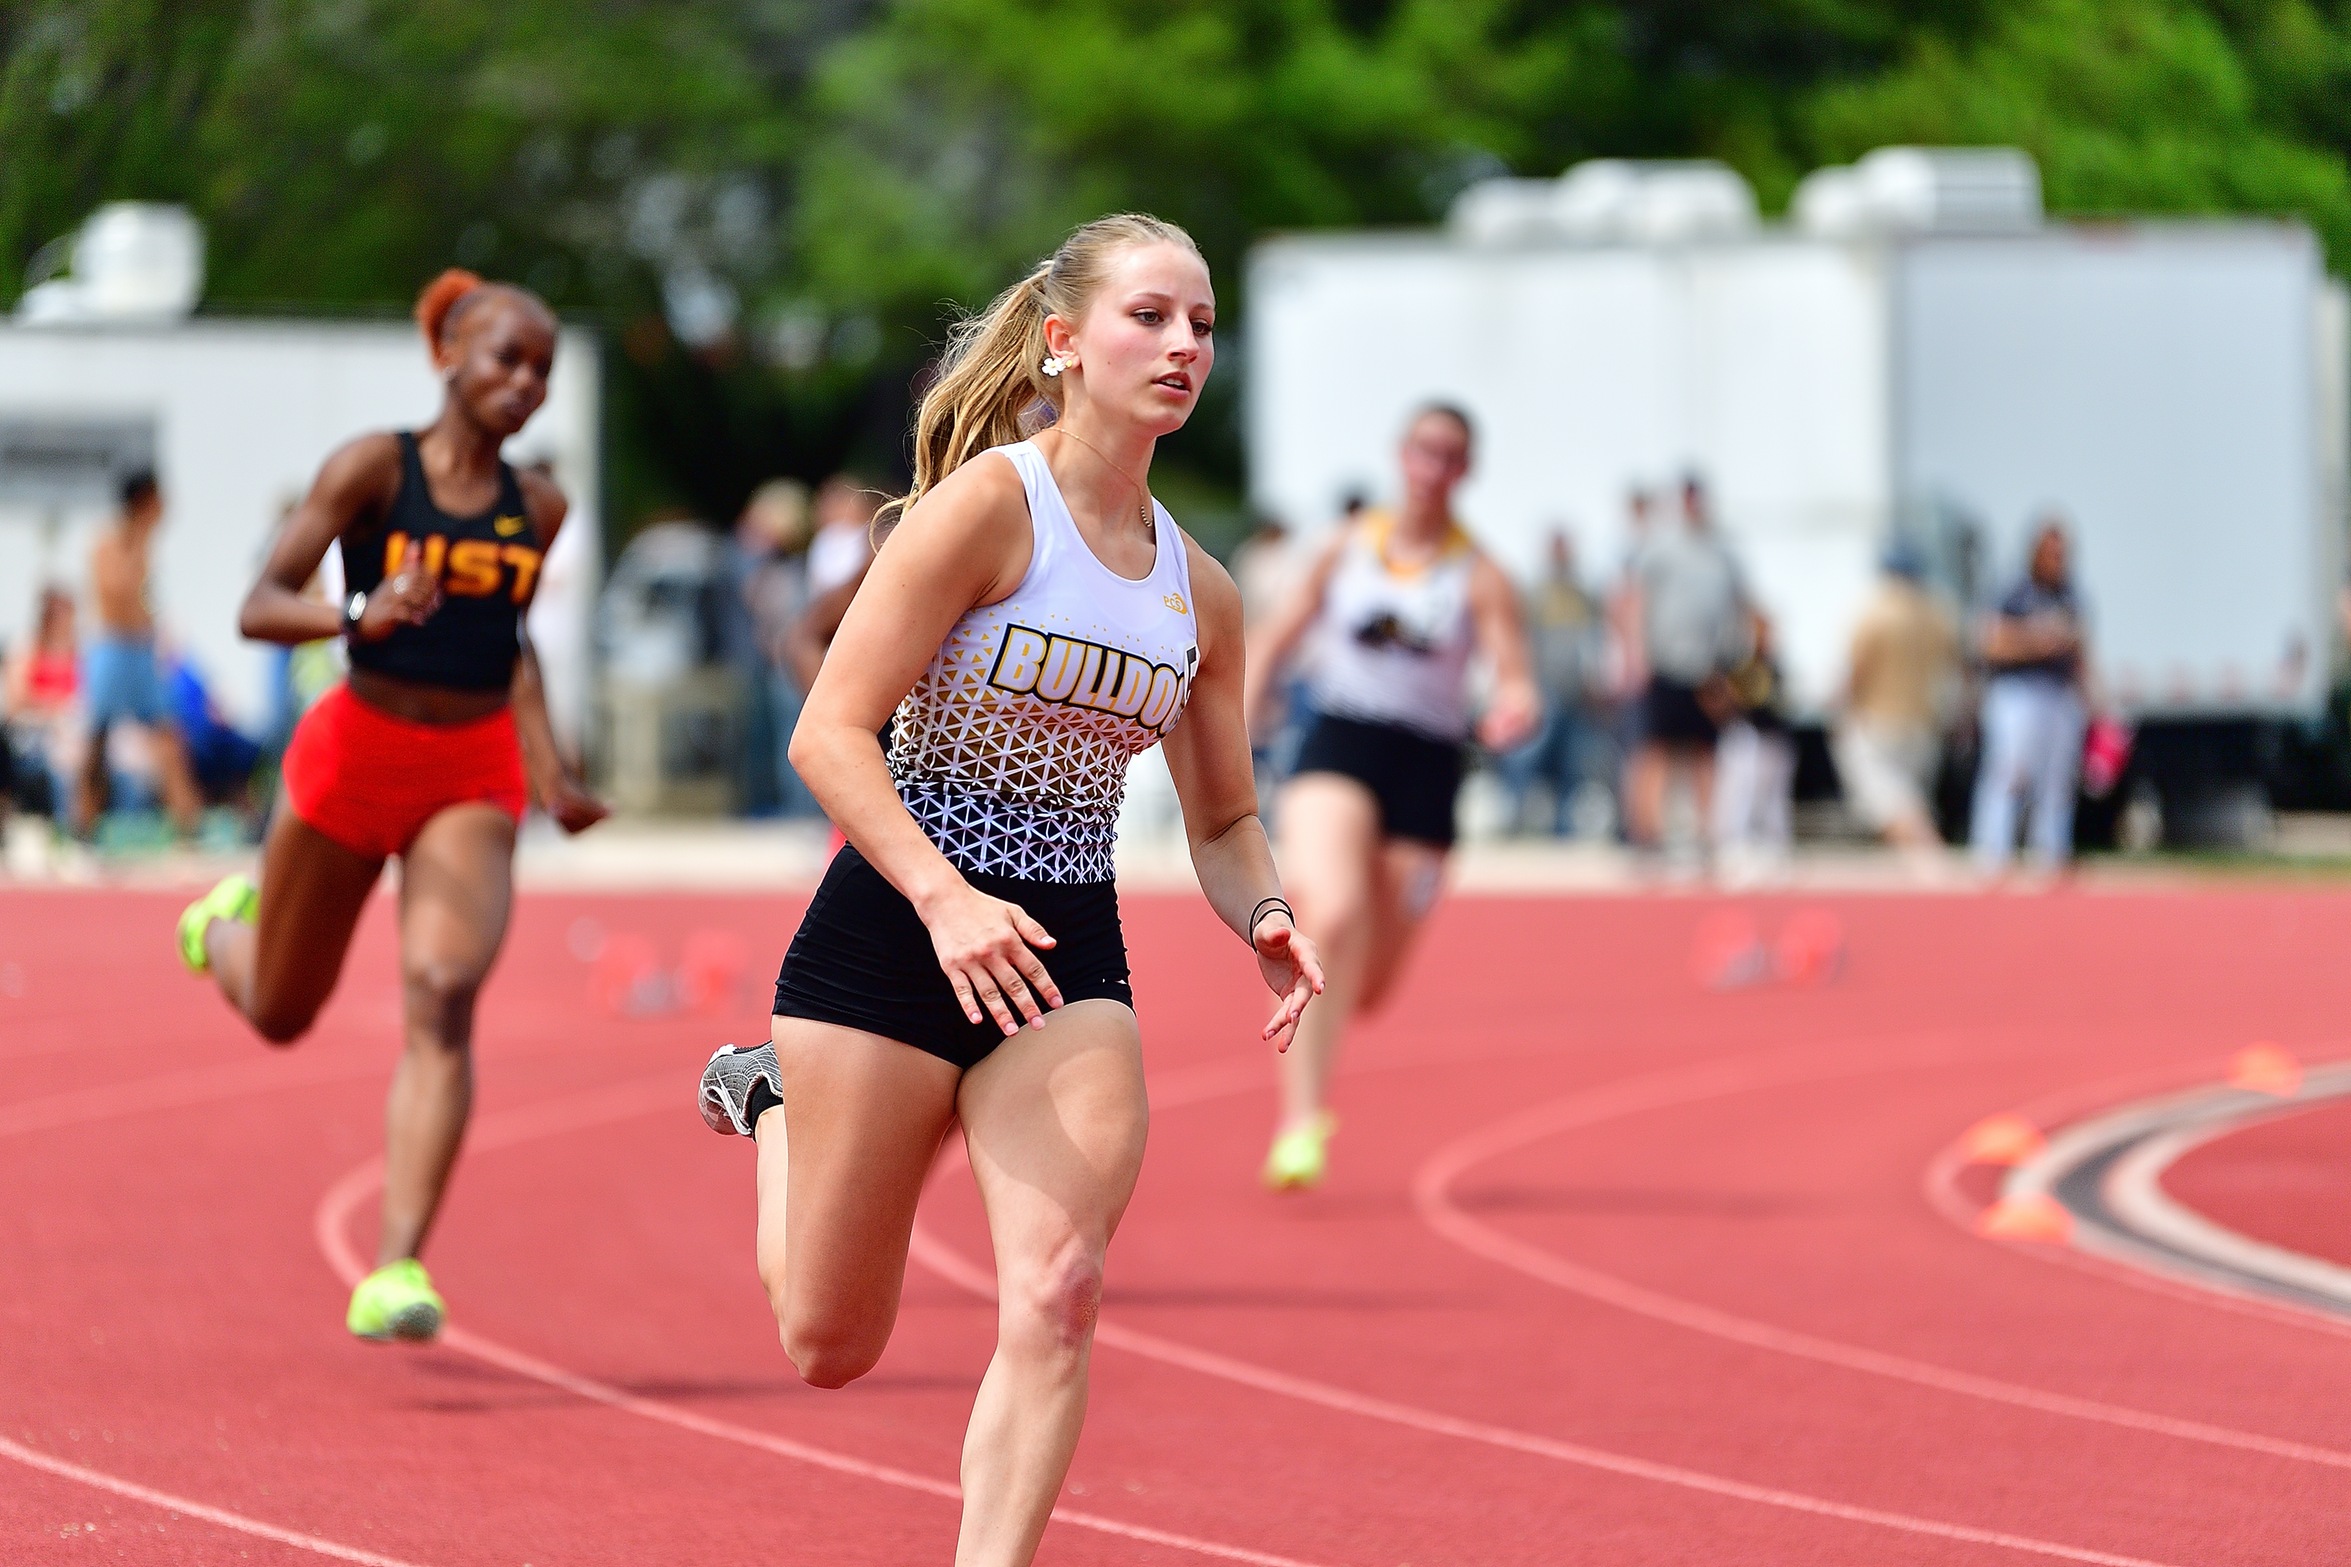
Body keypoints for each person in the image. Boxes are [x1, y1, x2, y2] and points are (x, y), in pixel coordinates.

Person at [692, 214, 1322, 1567]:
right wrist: (940, 895)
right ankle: (775, 1099)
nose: (1180, 345)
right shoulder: (988, 509)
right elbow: (827, 733)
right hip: (894, 930)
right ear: (1062, 341)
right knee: (827, 1341)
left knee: (1060, 1285)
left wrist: (1262, 911)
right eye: (1148, 316)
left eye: (1200, 324)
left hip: (1060, 956)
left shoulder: (1196, 593)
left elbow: (1221, 816)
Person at [173, 269, 608, 1343]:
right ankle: (222, 925)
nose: (525, 383)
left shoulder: (537, 507)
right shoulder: (376, 467)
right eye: (507, 358)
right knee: (280, 1009)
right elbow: (257, 604)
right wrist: (360, 608)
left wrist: (550, 771)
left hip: (469, 767)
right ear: (448, 355)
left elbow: (508, 650)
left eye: (542, 370)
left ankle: (397, 1264)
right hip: (354, 751)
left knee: (443, 988)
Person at [1242, 403, 1537, 1190]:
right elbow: (1278, 632)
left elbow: (1512, 668)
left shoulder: (1479, 572)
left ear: (1463, 470)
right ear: (1401, 456)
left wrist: (1514, 704)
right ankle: (1301, 1120)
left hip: (1427, 763)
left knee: (1369, 985)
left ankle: (1326, 1047)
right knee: (1327, 912)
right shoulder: (1347, 545)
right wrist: (1242, 713)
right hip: (1339, 736)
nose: (1432, 468)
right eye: (1422, 450)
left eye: (1449, 456)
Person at [1621, 473, 1748, 862]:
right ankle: (1647, 836)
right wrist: (1635, 655)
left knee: (1706, 752)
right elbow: (1634, 601)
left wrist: (1735, 660)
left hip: (1709, 667)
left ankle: (1709, 836)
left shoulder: (1722, 551)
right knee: (1655, 749)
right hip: (1665, 663)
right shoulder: (1659, 549)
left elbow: (1739, 605)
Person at [79, 470, 204, 838]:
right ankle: (83, 820)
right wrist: (136, 549)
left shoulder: (145, 544)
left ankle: (187, 821)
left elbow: (142, 602)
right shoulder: (109, 541)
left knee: (167, 734)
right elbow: (116, 593)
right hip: (113, 648)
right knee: (97, 738)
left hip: (140, 649)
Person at [1970, 517, 2092, 874]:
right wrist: (2036, 640)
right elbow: (1989, 641)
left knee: (2057, 777)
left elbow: (2081, 647)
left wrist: (2093, 698)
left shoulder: (2070, 594)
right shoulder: (2015, 592)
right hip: (2018, 692)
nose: (2057, 560)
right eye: (2051, 552)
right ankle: (1994, 853)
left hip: (2059, 693)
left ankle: (2051, 852)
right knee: (2010, 771)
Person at [1834, 542, 1960, 854]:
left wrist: (1840, 710)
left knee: (1890, 807)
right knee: (1908, 805)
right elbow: (1960, 669)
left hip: (1879, 725)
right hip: (1924, 729)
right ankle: (1924, 874)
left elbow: (1856, 672)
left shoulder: (1876, 612)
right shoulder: (1939, 614)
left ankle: (1934, 865)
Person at [1499, 528, 1605, 835]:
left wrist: (1594, 682)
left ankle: (1564, 829)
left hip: (1576, 692)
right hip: (1542, 689)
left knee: (1571, 764)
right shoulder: (1534, 592)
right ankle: (1514, 821)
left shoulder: (1584, 594)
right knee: (1525, 760)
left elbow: (1596, 643)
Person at [1711, 609, 1796, 881]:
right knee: (1739, 794)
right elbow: (1719, 695)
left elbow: (1780, 703)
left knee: (1773, 798)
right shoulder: (1737, 661)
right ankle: (1732, 845)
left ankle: (1774, 846)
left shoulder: (1773, 665)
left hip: (1774, 738)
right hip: (1746, 736)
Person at [4, 585, 82, 819]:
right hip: (33, 733)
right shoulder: (27, 648)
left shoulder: (80, 651)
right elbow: (16, 698)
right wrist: (52, 707)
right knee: (60, 765)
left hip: (71, 731)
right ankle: (65, 825)